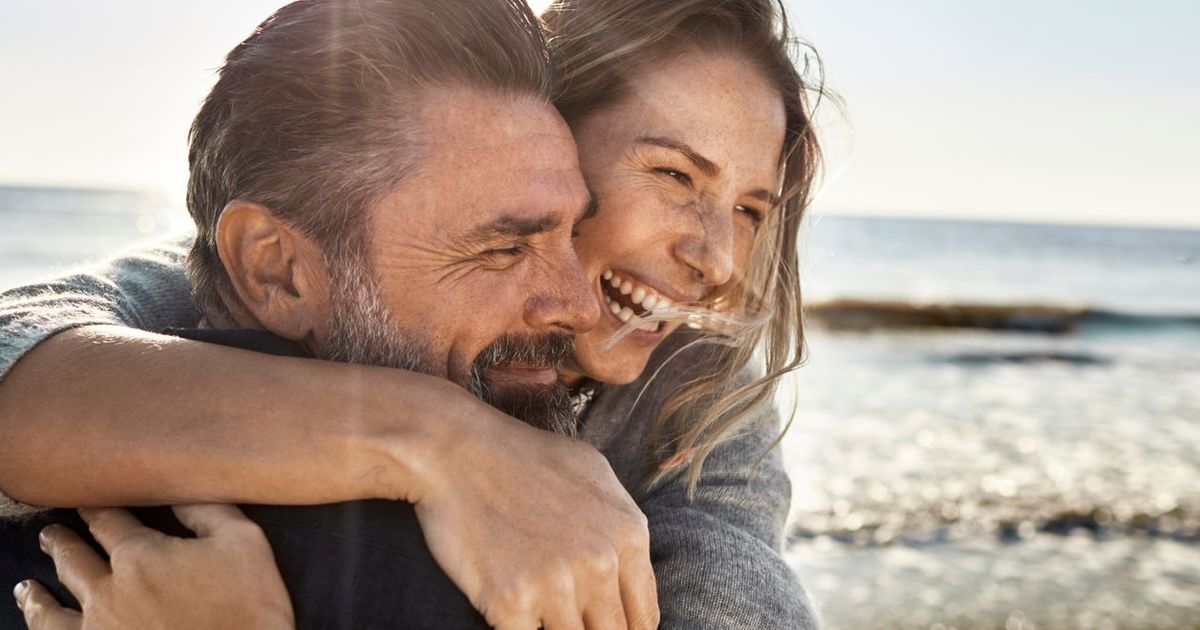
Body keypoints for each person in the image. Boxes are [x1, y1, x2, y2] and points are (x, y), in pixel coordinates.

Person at [0, 0, 824, 627]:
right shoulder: (238, 292)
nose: (719, 260)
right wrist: (440, 440)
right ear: (548, 137)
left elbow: (735, 587)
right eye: (676, 176)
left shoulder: (699, 400)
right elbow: (25, 359)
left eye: (753, 209)